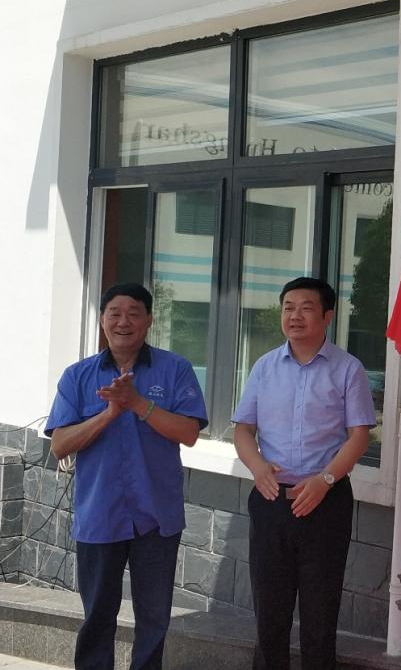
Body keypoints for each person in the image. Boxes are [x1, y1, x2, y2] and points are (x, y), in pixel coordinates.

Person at [46, 282, 207, 670]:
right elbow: (60, 445)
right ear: (102, 320)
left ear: (149, 320)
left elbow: (189, 433)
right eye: (114, 313)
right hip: (100, 513)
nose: (123, 322)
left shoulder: (175, 369)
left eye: (134, 313)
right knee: (97, 615)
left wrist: (137, 404)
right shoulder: (78, 376)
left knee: (154, 619)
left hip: (157, 516)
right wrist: (109, 414)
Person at [232, 276, 375, 670]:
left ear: (327, 316)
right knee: (269, 611)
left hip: (325, 501)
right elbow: (243, 429)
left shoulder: (348, 369)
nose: (294, 316)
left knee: (320, 613)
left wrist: (325, 480)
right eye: (288, 307)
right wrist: (257, 466)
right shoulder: (264, 367)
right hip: (271, 498)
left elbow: (359, 436)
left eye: (306, 308)